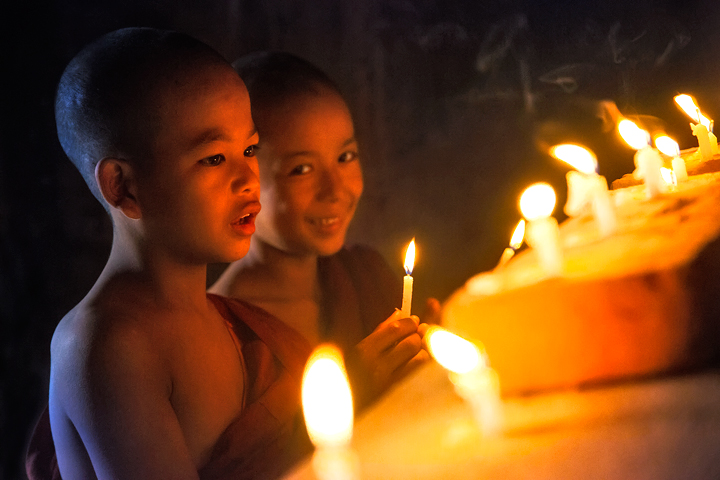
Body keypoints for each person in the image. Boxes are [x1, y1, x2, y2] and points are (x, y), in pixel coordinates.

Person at [26, 28, 312, 480]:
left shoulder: (228, 319)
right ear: (124, 186)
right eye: (215, 158)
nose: (248, 180)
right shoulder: (107, 344)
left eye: (250, 149)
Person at [210, 52, 436, 409]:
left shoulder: (364, 274)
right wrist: (354, 390)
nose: (336, 189)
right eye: (301, 169)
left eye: (346, 157)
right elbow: (256, 464)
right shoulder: (223, 332)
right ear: (245, 181)